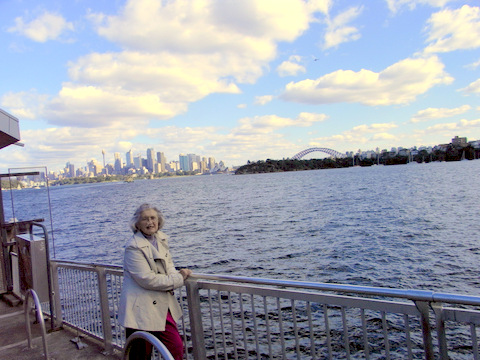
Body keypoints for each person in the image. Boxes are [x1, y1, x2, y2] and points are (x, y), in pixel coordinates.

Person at [119, 203, 192, 360]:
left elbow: (169, 266)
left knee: (176, 347)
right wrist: (179, 279)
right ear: (137, 224)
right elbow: (147, 279)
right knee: (139, 354)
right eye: (145, 219)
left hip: (162, 305)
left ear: (159, 221)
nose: (150, 222)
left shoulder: (161, 239)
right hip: (141, 308)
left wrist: (176, 275)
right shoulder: (133, 247)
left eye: (153, 218)